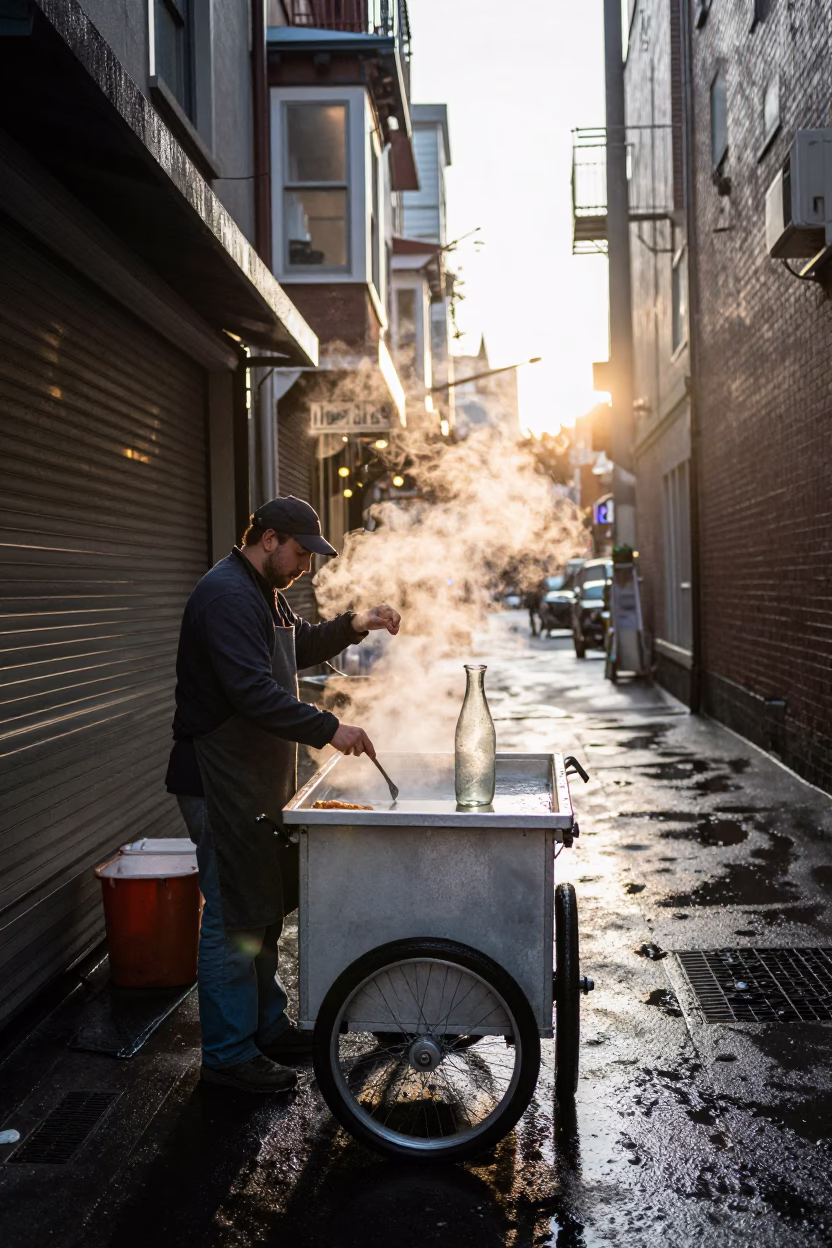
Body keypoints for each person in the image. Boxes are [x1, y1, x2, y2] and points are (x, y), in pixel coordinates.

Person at [165, 496, 400, 1094]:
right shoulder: (225, 595)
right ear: (268, 539)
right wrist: (329, 729)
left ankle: (265, 1028)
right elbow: (251, 692)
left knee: (261, 907)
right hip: (217, 780)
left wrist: (357, 623)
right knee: (231, 916)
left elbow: (297, 648)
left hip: (255, 780)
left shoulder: (263, 591)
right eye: (300, 552)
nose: (305, 566)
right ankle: (227, 1056)